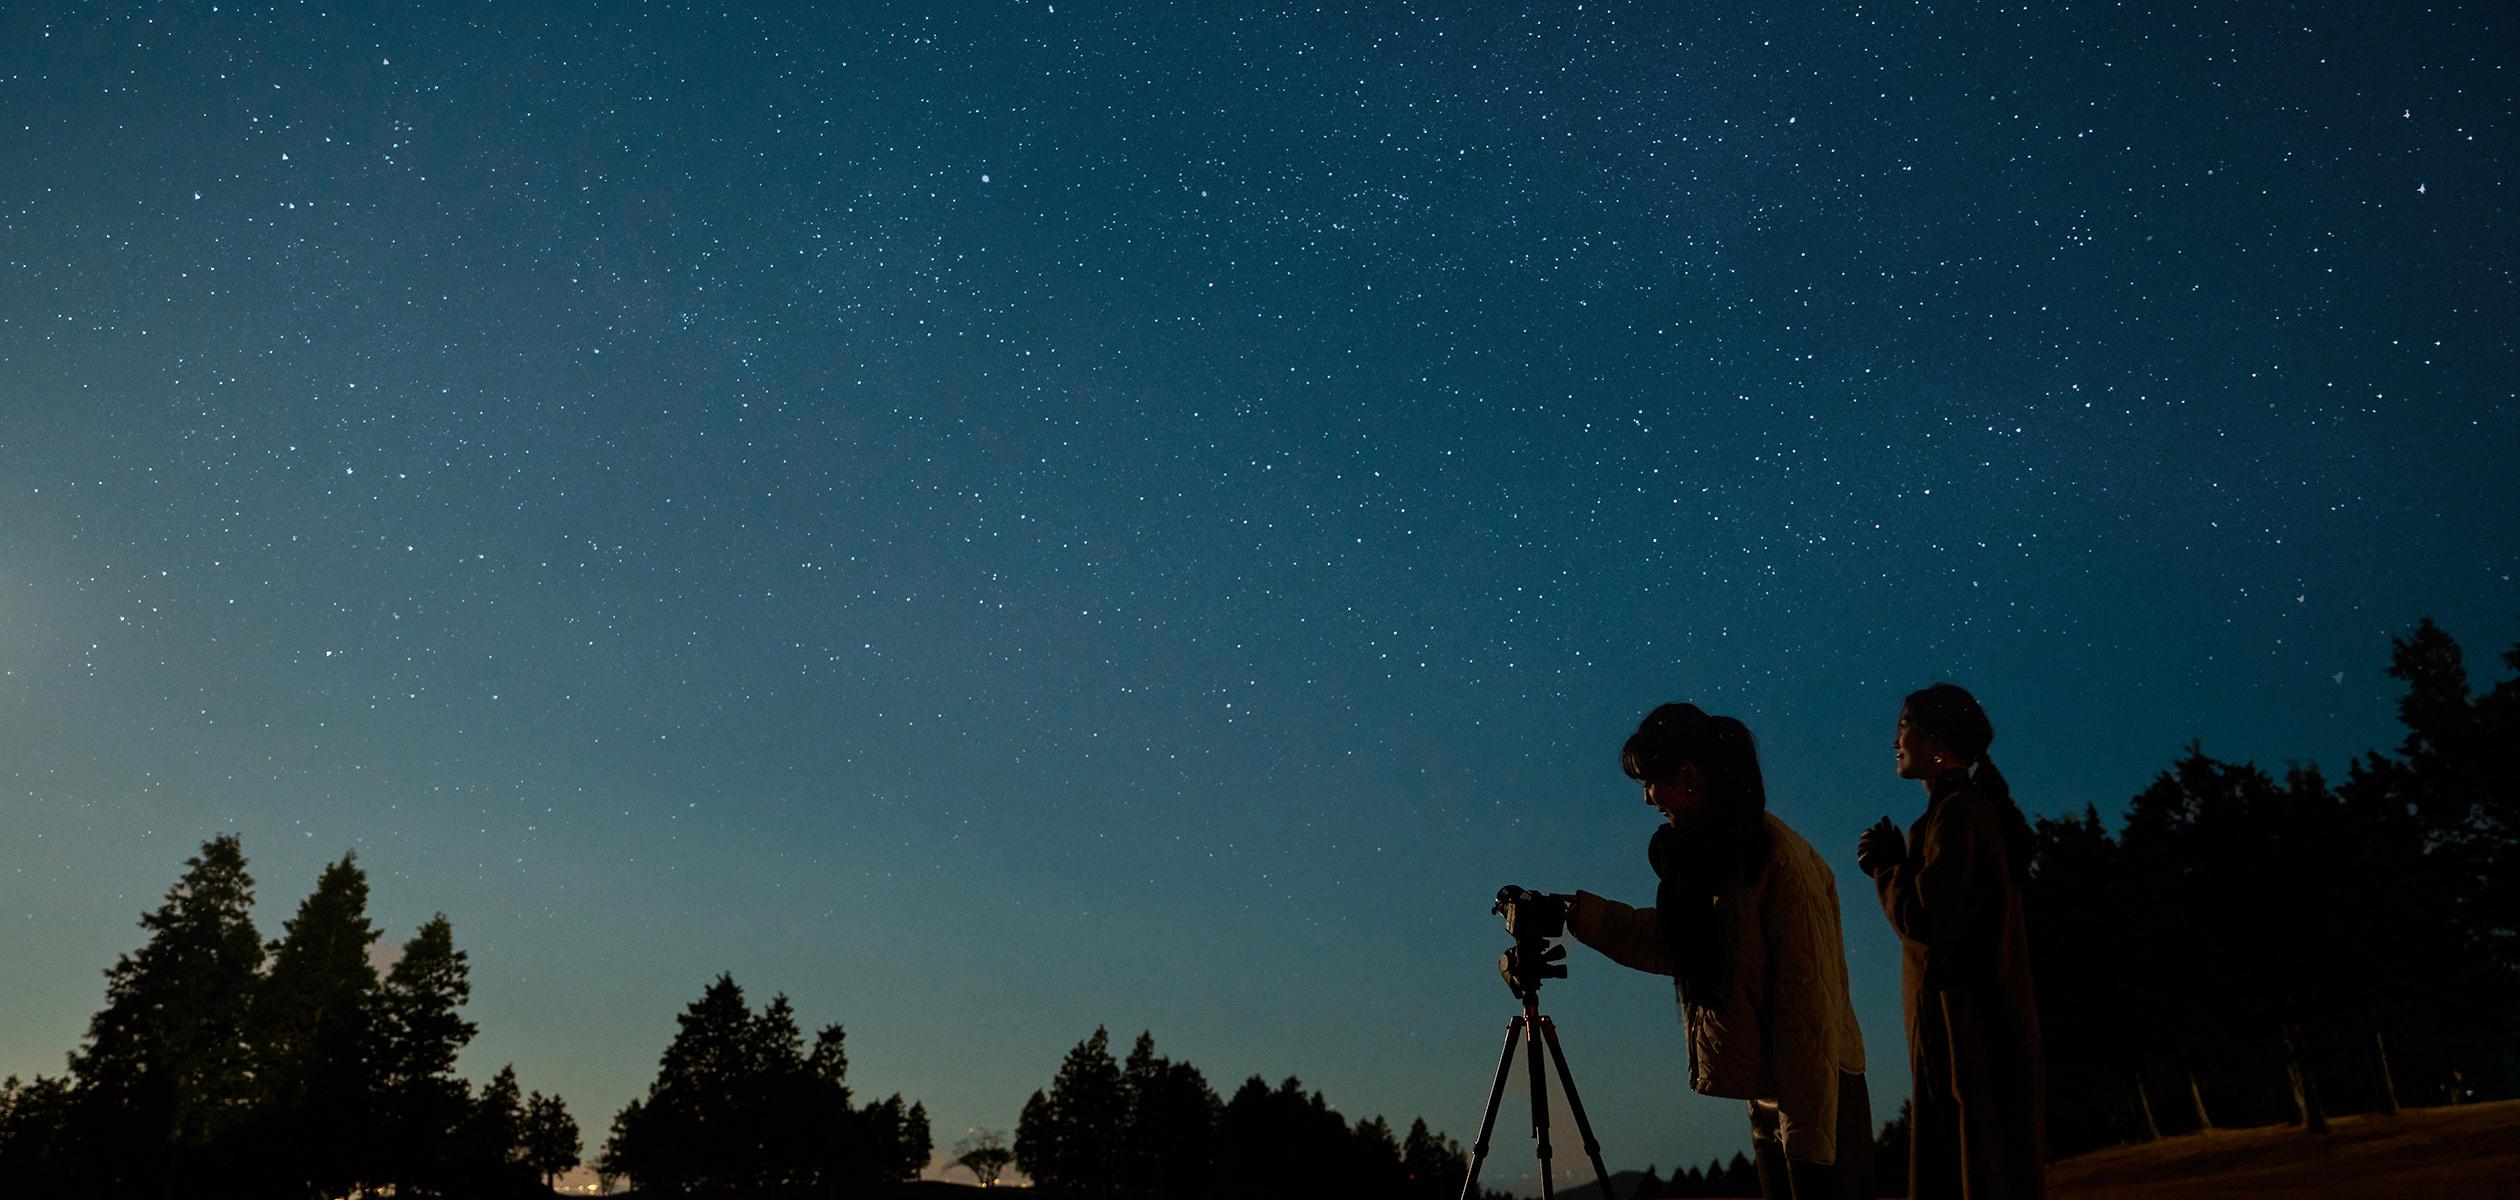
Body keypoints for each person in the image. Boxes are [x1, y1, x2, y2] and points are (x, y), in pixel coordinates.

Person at [1557, 703, 1874, 1200]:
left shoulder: (1773, 858)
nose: (1646, 799)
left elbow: (1807, 1008)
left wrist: (1809, 1149)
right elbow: (1682, 944)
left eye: (1649, 781)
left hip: (1819, 1103)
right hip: (1775, 1098)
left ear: (1686, 775)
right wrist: (1585, 916)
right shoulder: (1717, 857)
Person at [1857, 683, 2043, 1199]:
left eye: (1903, 727)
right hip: (1965, 1033)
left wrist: (1885, 868)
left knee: (1969, 1164)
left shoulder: (1957, 814)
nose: (1894, 740)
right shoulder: (1963, 812)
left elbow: (1928, 921)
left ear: (1935, 739)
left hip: (1961, 1040)